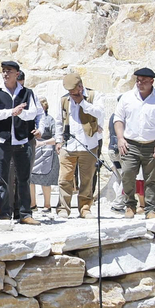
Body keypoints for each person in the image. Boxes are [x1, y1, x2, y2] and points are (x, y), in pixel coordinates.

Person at [114, 67, 155, 218]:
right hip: (130, 144)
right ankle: (130, 205)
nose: (140, 84)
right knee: (127, 174)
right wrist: (120, 138)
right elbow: (118, 119)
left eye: (144, 81)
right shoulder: (127, 97)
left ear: (152, 81)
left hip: (152, 145)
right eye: (138, 80)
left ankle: (151, 208)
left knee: (151, 178)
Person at [0, 60, 42, 224]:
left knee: (24, 179)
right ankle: (5, 213)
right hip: (1, 140)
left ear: (17, 74)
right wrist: (12, 111)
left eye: (9, 71)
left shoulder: (28, 93)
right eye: (4, 70)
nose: (5, 73)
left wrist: (21, 114)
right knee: (2, 178)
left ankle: (25, 214)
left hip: (22, 140)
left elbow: (34, 113)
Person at [58, 75, 106, 218]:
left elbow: (99, 113)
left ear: (80, 87)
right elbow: (59, 121)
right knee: (65, 178)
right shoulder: (64, 100)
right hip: (68, 145)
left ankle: (85, 208)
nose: (71, 94)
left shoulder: (94, 96)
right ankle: (63, 208)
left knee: (87, 179)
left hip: (89, 144)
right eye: (69, 92)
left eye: (73, 91)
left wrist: (82, 103)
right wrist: (58, 141)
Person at [30, 98, 60, 216]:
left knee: (45, 179)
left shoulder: (50, 119)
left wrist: (43, 143)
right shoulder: (30, 119)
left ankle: (47, 204)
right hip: (33, 151)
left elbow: (56, 137)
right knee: (30, 178)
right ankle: (32, 204)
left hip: (46, 152)